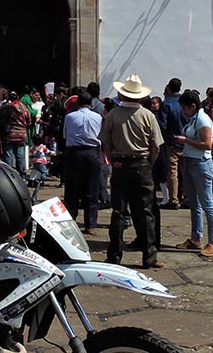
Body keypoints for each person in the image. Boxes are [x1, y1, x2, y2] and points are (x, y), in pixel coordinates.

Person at [100, 74, 164, 270]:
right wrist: (148, 162)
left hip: (120, 165)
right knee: (145, 212)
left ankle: (114, 255)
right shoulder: (148, 115)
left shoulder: (112, 115)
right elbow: (156, 146)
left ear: (122, 94)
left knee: (118, 212)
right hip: (142, 164)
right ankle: (149, 256)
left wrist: (113, 161)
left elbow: (105, 143)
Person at [174, 90, 213, 257]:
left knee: (207, 203)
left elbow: (207, 144)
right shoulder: (193, 118)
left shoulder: (202, 119)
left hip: (201, 163)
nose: (183, 111)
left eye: (184, 108)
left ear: (192, 106)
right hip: (190, 161)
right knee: (194, 203)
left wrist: (186, 140)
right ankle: (195, 237)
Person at [62, 89, 103, 233]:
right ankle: (90, 224)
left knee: (72, 188)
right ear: (91, 104)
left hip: (74, 152)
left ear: (77, 103)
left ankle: (70, 220)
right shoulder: (98, 117)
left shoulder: (69, 117)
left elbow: (65, 135)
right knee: (92, 188)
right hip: (92, 153)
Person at [158, 78, 187, 209]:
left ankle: (174, 199)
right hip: (186, 140)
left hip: (171, 141)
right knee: (186, 171)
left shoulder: (166, 104)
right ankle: (187, 197)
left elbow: (162, 125)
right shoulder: (184, 102)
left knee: (172, 171)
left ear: (169, 88)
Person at [0, 91, 31, 175]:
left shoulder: (5, 107)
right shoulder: (24, 108)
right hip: (21, 135)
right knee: (20, 155)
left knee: (8, 156)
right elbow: (29, 121)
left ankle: (8, 174)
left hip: (8, 135)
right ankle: (21, 174)